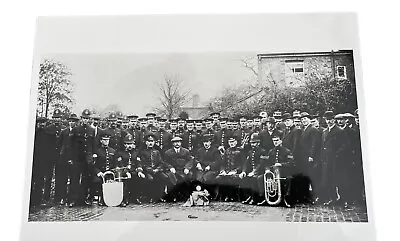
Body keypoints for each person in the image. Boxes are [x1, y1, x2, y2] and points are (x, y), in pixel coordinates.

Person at [256, 130, 296, 207]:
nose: (275, 142)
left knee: (289, 179)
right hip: (273, 173)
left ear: (281, 141)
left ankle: (285, 199)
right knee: (260, 178)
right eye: (274, 141)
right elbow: (266, 163)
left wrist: (281, 164)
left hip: (284, 172)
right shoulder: (271, 151)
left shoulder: (287, 151)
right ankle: (265, 198)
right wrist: (267, 170)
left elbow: (292, 163)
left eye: (277, 140)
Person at [318, 111, 349, 206]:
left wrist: (336, 155)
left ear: (334, 120)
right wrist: (322, 157)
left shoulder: (340, 131)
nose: (329, 121)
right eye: (327, 119)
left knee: (339, 180)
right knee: (328, 180)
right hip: (326, 160)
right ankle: (333, 199)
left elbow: (345, 145)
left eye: (331, 119)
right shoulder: (324, 131)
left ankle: (343, 200)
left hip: (336, 161)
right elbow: (322, 146)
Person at [68, 109, 95, 207]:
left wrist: (92, 156)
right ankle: (72, 200)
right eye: (84, 118)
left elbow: (93, 145)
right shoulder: (75, 129)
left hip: (87, 159)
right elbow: (70, 145)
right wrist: (71, 158)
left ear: (89, 119)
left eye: (87, 119)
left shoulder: (92, 130)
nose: (85, 120)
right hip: (77, 158)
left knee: (86, 179)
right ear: (81, 118)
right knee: (74, 179)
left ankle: (84, 199)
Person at [54, 113, 79, 205]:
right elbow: (59, 145)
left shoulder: (78, 132)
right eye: (70, 121)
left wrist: (73, 159)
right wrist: (61, 157)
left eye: (73, 121)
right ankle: (62, 197)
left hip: (74, 160)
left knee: (74, 180)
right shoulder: (64, 132)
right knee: (63, 179)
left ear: (76, 122)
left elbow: (78, 148)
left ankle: (72, 199)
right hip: (64, 159)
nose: (71, 123)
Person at [41, 109, 64, 205]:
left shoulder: (64, 129)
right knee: (48, 177)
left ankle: (57, 197)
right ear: (52, 118)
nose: (57, 120)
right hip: (49, 156)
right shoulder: (48, 129)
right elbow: (45, 144)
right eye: (55, 118)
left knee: (59, 177)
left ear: (61, 119)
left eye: (58, 118)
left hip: (59, 156)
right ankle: (46, 197)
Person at [138, 133, 170, 203]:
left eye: (152, 141)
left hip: (156, 170)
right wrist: (151, 170)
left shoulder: (157, 152)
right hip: (147, 171)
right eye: (149, 141)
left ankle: (160, 195)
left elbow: (161, 162)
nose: (150, 143)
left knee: (165, 177)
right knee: (150, 179)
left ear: (154, 142)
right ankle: (151, 196)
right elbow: (143, 164)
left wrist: (158, 169)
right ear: (146, 142)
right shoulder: (142, 152)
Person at [239, 133, 268, 205]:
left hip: (261, 171)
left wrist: (254, 171)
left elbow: (261, 164)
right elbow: (246, 163)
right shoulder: (250, 152)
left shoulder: (263, 151)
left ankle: (260, 198)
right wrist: (244, 172)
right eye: (251, 143)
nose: (252, 145)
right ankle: (250, 196)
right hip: (253, 172)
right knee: (244, 178)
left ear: (258, 143)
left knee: (255, 178)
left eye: (254, 143)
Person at [298, 112, 320, 204]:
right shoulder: (304, 129)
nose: (304, 121)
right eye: (302, 119)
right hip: (304, 157)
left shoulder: (313, 129)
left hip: (310, 157)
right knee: (306, 176)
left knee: (312, 177)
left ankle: (316, 196)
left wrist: (311, 156)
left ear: (309, 119)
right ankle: (307, 196)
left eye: (305, 119)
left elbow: (314, 144)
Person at [164, 136, 194, 201]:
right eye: (175, 142)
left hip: (183, 169)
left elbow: (190, 160)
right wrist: (170, 167)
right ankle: (172, 196)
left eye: (178, 142)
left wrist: (187, 168)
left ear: (181, 143)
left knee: (189, 176)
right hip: (174, 170)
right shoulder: (168, 152)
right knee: (172, 178)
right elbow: (165, 162)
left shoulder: (186, 151)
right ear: (172, 144)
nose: (177, 144)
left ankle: (186, 195)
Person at [90, 131, 116, 206]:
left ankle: (111, 198)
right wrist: (98, 172)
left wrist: (113, 172)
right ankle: (100, 197)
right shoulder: (97, 151)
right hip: (101, 173)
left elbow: (115, 164)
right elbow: (93, 165)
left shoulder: (113, 151)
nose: (106, 141)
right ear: (101, 141)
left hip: (110, 173)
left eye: (107, 140)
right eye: (104, 140)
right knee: (97, 181)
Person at [115, 134, 142, 206]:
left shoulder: (136, 153)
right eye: (128, 144)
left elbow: (139, 163)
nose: (129, 146)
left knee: (138, 178)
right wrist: (126, 172)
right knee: (126, 180)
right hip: (123, 172)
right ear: (124, 144)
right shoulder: (120, 153)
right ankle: (124, 198)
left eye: (131, 144)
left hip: (133, 171)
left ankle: (135, 197)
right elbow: (120, 165)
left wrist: (139, 171)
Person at [215, 134, 243, 202]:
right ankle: (222, 195)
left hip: (235, 172)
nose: (232, 143)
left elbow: (242, 164)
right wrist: (222, 171)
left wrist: (235, 171)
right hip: (227, 172)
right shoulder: (227, 151)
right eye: (230, 142)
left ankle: (231, 196)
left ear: (236, 142)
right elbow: (222, 163)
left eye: (233, 142)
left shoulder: (240, 151)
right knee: (219, 178)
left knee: (231, 178)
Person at [30, 117, 48, 207]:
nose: (42, 124)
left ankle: (37, 201)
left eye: (43, 123)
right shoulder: (34, 133)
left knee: (40, 181)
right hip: (34, 161)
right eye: (40, 123)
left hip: (43, 161)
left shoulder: (47, 134)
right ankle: (30, 200)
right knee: (32, 180)